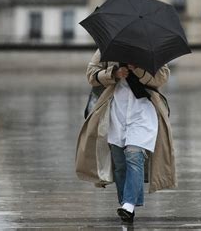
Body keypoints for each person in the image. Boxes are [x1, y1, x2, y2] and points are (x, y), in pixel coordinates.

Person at [75, 49, 176, 224]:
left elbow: (162, 77)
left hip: (143, 111)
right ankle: (126, 205)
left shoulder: (150, 47)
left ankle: (128, 205)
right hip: (115, 111)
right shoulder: (107, 48)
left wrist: (137, 69)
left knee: (134, 155)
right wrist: (114, 73)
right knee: (120, 163)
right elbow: (91, 74)